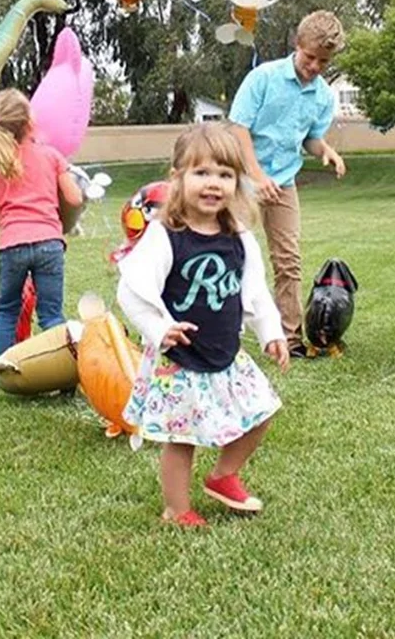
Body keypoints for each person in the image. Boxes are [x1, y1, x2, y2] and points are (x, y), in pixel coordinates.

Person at [117, 123, 289, 528]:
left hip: (225, 353)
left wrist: (272, 333)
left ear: (237, 183)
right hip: (180, 359)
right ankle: (176, 510)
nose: (214, 184)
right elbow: (132, 293)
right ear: (177, 178)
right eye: (202, 173)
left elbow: (256, 292)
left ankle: (223, 475)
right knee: (183, 439)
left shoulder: (239, 238)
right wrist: (161, 329)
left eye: (225, 175)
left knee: (262, 412)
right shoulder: (165, 236)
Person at [228, 10, 347, 358]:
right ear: (298, 44)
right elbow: (238, 129)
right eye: (310, 57)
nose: (314, 66)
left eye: (322, 62)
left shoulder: (323, 96)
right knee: (230, 254)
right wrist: (256, 176)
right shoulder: (263, 78)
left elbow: (310, 138)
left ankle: (287, 338)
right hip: (241, 179)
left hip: (283, 181)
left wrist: (324, 150)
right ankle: (223, 331)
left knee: (288, 260)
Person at [0, 89, 82, 388]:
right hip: (50, 243)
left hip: (11, 245)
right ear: (30, 122)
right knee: (51, 314)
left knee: (8, 310)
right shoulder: (51, 156)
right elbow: (74, 198)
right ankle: (68, 377)